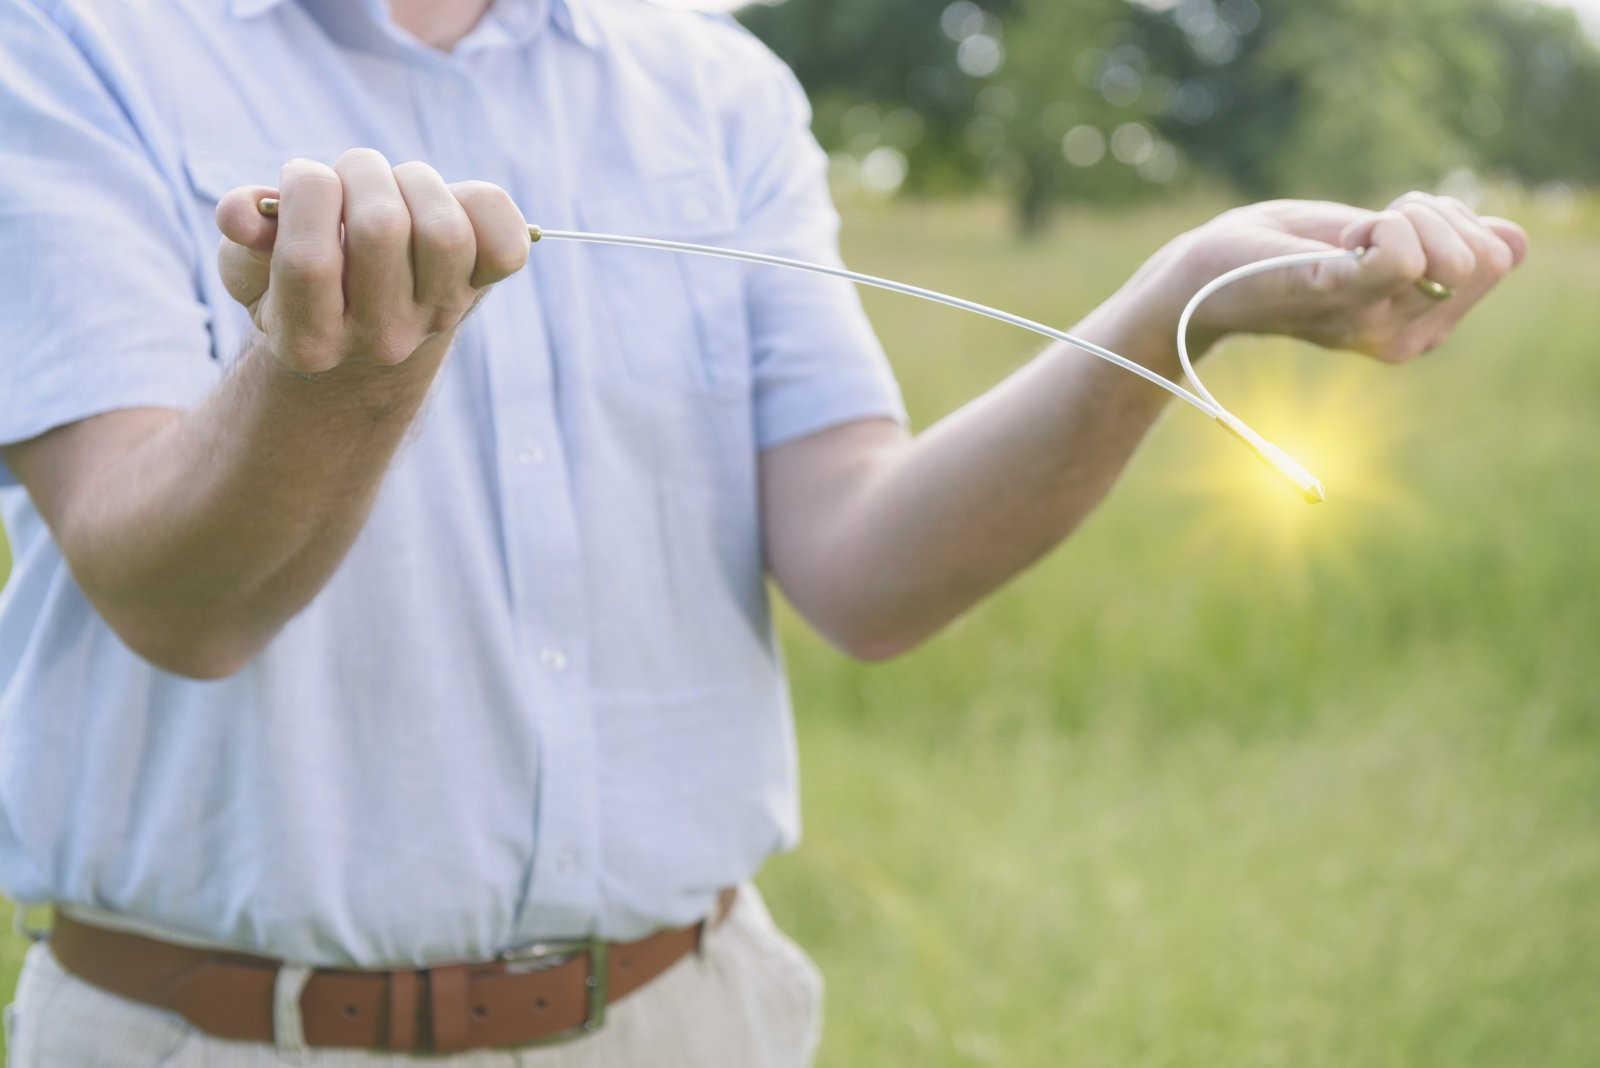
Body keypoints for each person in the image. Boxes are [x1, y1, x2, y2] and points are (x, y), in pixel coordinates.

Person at [0, 0, 1527, 1064]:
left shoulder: (715, 88)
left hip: (691, 1024)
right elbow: (175, 600)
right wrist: (341, 379)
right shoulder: (61, 37)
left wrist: (1172, 308)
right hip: (211, 1041)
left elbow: (867, 568)